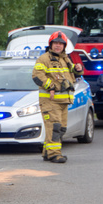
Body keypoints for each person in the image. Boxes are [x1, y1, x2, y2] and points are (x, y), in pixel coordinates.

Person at [32, 32, 83, 163]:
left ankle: (47, 152)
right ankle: (55, 154)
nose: (58, 46)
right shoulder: (44, 59)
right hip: (50, 101)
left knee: (61, 128)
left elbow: (75, 73)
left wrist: (78, 68)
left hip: (64, 101)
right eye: (56, 43)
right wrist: (51, 86)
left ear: (64, 46)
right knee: (54, 127)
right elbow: (37, 76)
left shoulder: (65, 59)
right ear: (51, 44)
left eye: (61, 44)